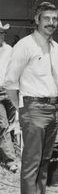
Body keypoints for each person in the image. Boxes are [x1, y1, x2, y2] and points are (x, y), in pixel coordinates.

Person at [4, 2, 58, 194]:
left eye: (55, 19)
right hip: (32, 107)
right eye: (47, 18)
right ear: (37, 20)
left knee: (45, 159)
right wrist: (24, 109)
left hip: (53, 107)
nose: (51, 23)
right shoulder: (25, 45)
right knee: (31, 162)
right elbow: (10, 82)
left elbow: (57, 81)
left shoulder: (56, 47)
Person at [0, 20, 18, 173]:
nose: (1, 35)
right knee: (3, 125)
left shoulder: (10, 50)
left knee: (12, 125)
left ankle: (10, 154)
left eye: (2, 32)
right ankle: (10, 160)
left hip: (10, 90)